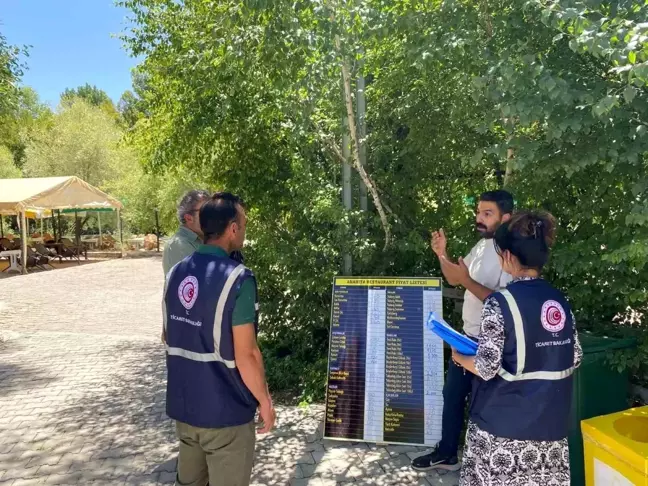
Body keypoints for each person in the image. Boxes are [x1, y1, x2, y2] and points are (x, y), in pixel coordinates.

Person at [451, 211, 582, 485]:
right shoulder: (559, 301)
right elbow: (575, 357)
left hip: (502, 431)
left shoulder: (499, 303)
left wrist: (460, 356)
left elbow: (486, 368)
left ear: (508, 257)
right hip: (551, 428)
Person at [163, 192, 275, 486]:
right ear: (233, 228)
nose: (245, 229)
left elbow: (168, 334)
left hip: (185, 411)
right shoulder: (238, 278)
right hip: (225, 413)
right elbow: (246, 354)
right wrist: (264, 400)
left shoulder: (175, 272)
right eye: (244, 223)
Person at [412, 190, 514, 472]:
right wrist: (441, 254)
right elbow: (455, 277)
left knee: (485, 407)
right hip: (466, 339)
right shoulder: (481, 246)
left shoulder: (510, 254)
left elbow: (505, 303)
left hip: (493, 344)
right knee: (453, 396)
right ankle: (447, 454)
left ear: (507, 217)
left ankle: (488, 467)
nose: (479, 219)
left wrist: (466, 281)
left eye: (487, 214)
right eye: (478, 213)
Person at [163, 189, 211, 276]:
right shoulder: (178, 245)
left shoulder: (202, 240)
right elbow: (204, 280)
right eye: (206, 210)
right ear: (189, 218)